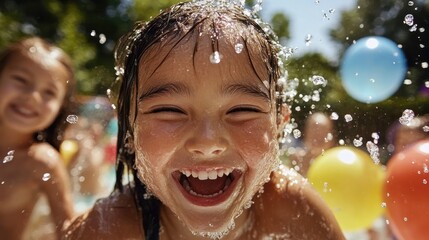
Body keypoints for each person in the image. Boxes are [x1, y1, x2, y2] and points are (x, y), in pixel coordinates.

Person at [64, 1, 344, 239]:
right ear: (130, 130)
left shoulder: (294, 212)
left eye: (241, 110)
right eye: (170, 111)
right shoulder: (106, 230)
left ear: (279, 124)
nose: (207, 142)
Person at [0, 37, 76, 239]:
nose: (32, 96)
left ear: (60, 108)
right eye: (21, 80)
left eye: (49, 93)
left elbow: (68, 231)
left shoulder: (43, 162)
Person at [287, 112, 336, 176]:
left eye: (323, 129)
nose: (318, 133)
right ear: (306, 132)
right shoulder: (296, 160)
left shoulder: (335, 163)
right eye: (314, 129)